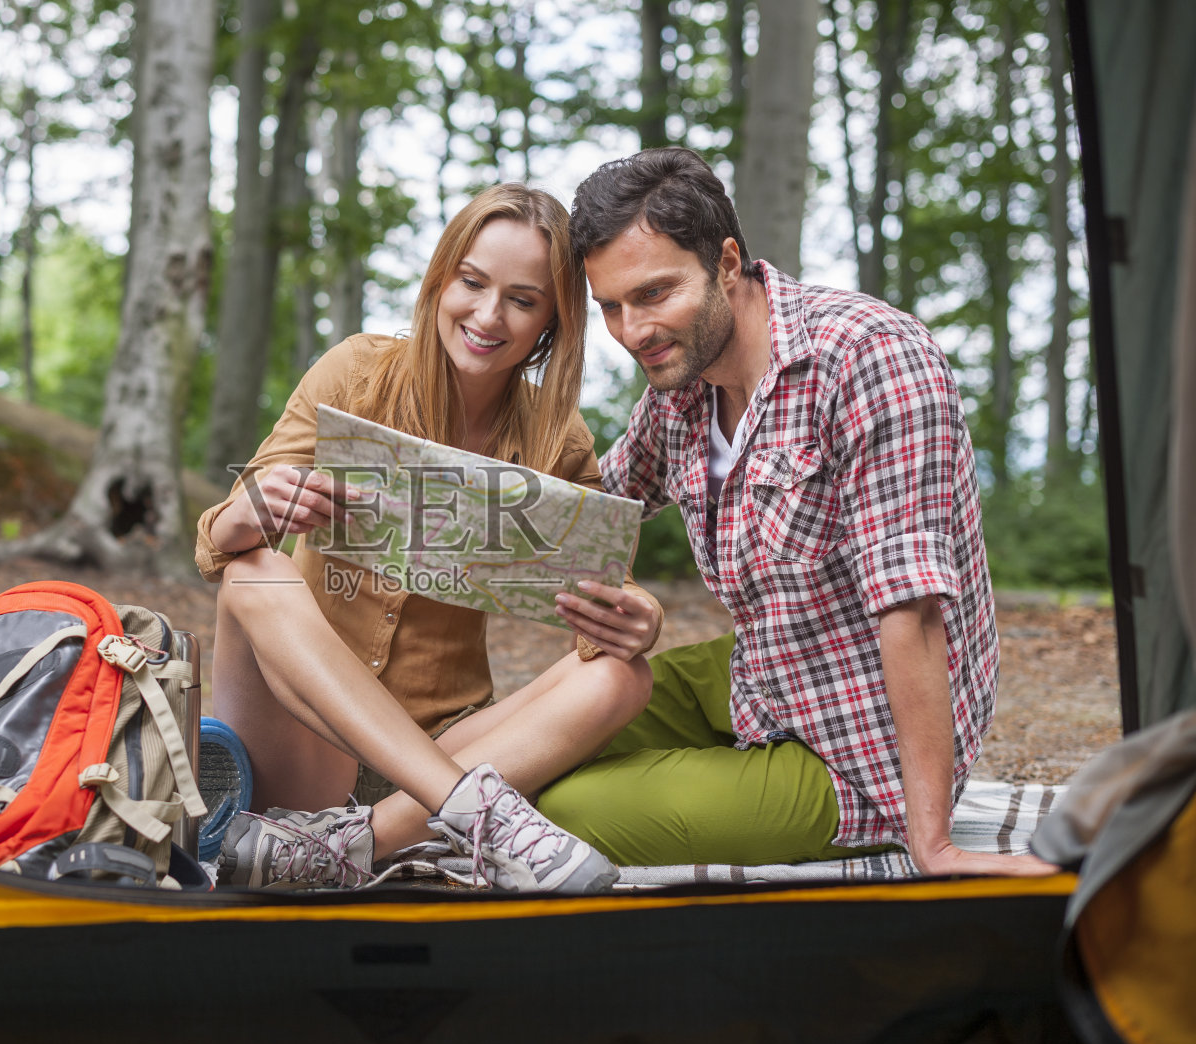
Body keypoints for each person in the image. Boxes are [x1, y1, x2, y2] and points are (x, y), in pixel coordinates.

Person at [536, 147, 1057, 877]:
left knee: (562, 810)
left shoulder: (871, 358)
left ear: (725, 261)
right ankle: (386, 807)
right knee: (544, 733)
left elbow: (911, 609)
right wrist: (405, 501)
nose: (633, 330)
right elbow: (595, 501)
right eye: (612, 307)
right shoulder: (682, 388)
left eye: (653, 293)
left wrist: (933, 844)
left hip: (858, 747)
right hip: (769, 671)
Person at [195, 184, 662, 893]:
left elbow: (601, 587)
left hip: (450, 743)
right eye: (471, 283)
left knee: (624, 673)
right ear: (441, 278)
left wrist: (639, 615)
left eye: (522, 299)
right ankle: (473, 816)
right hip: (305, 737)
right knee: (252, 571)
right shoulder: (354, 373)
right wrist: (254, 508)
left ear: (551, 322)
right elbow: (217, 541)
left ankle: (356, 844)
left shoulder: (555, 436)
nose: (487, 315)